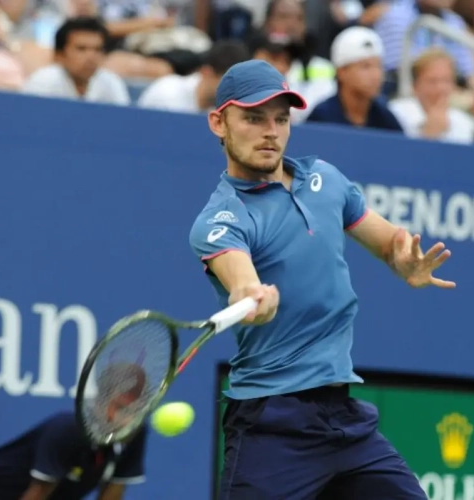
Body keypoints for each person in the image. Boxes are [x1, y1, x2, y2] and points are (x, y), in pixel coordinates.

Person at [188, 59, 455, 499]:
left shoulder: (325, 180)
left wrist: (404, 260)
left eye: (281, 118)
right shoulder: (221, 220)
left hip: (345, 418)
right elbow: (239, 278)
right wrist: (253, 296)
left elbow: (389, 242)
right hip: (271, 425)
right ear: (219, 122)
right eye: (253, 118)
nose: (270, 130)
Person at [0, 363, 149, 500]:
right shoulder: (68, 430)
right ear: (101, 401)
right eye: (121, 408)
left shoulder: (135, 431)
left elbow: (111, 495)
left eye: (136, 410)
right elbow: (36, 495)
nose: (128, 419)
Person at [23, 17, 130, 106]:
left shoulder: (111, 82)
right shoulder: (43, 82)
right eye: (81, 49)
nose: (91, 57)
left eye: (97, 49)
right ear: (59, 55)